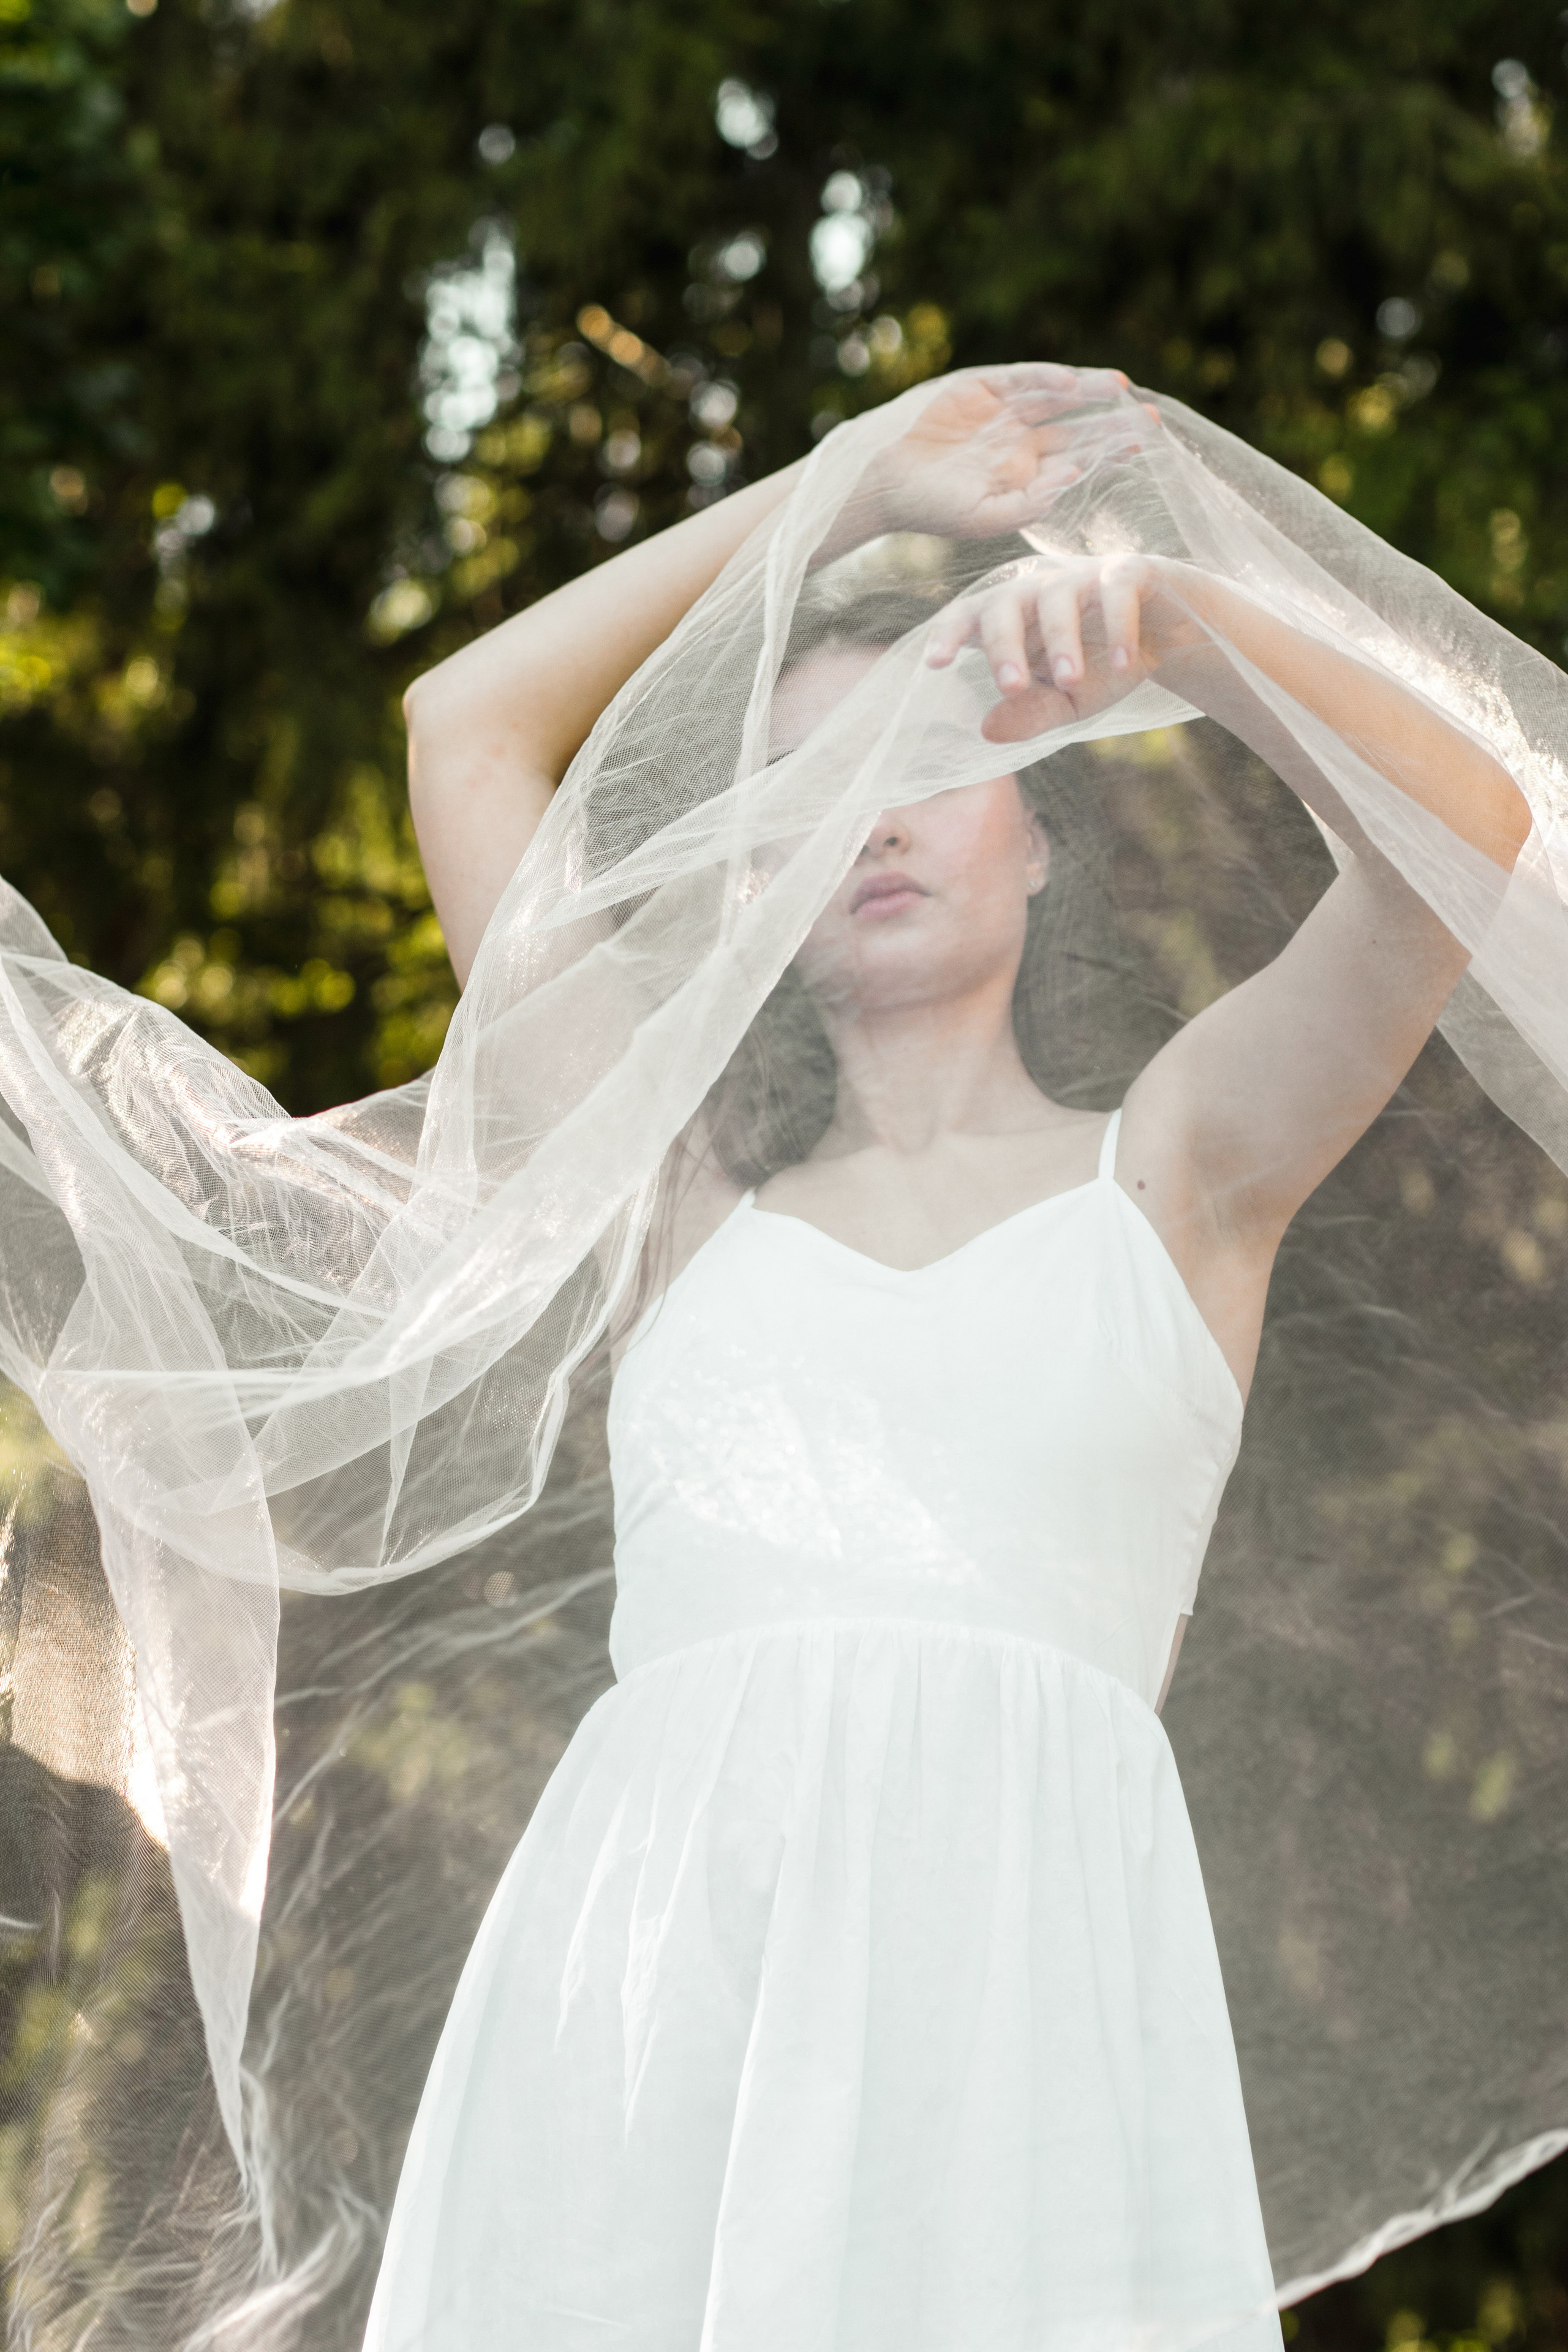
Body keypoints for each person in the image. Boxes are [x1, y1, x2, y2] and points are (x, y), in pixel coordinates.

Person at [360, 368, 1529, 2351]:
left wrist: (1187, 629)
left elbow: (1468, 829)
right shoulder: (671, 1198)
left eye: (933, 751)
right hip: (650, 2032)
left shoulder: (1181, 1177)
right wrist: (844, 485)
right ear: (759, 885)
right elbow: (460, 729)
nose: (877, 811)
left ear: (1044, 833)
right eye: (813, 785)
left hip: (1029, 2045)